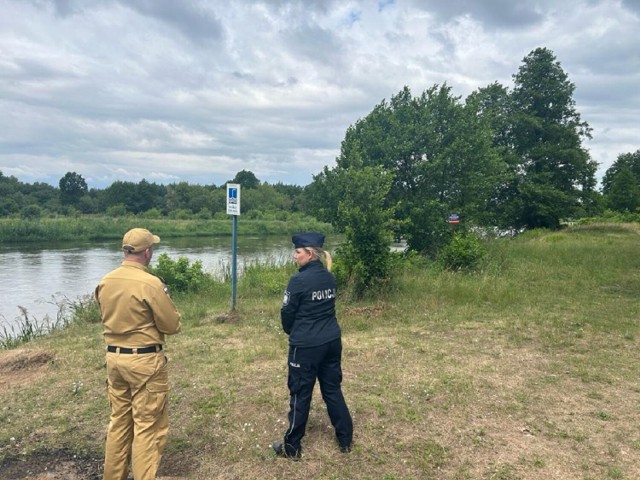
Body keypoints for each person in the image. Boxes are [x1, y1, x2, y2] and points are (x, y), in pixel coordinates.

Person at [95, 228, 182, 480]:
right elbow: (171, 326)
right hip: (144, 360)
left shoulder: (105, 281)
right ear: (147, 252)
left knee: (119, 423)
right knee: (147, 426)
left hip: (114, 359)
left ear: (125, 251)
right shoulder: (151, 283)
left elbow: (104, 315)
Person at [272, 232, 353, 459]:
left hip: (306, 346)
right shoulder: (329, 277)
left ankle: (292, 447)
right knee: (332, 389)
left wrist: (292, 331)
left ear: (309, 254)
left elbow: (287, 313)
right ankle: (345, 439)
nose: (294, 256)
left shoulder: (298, 281)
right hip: (331, 342)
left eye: (297, 252)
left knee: (300, 393)